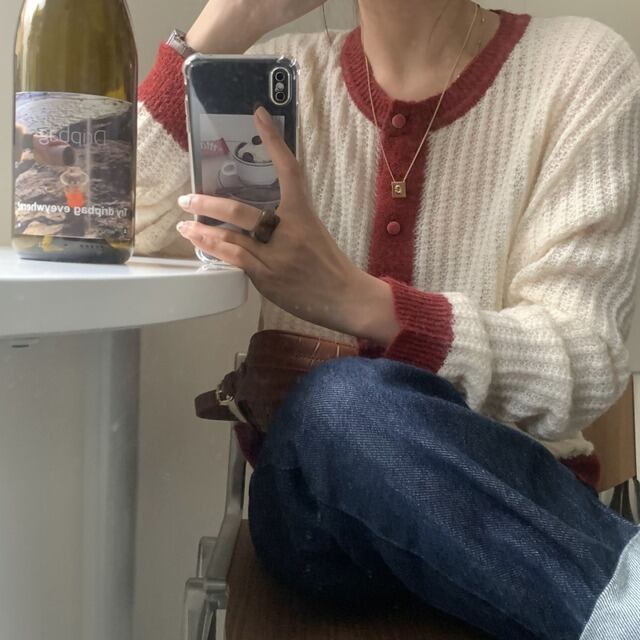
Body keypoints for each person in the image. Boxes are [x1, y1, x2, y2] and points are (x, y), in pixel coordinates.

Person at [135, 1, 640, 637]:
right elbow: (102, 219)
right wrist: (227, 22)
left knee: (343, 396)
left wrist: (358, 300)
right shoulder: (275, 81)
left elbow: (581, 362)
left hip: (517, 505)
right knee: (337, 405)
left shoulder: (581, 69)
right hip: (318, 518)